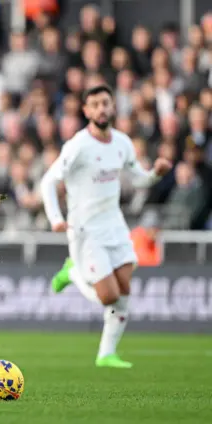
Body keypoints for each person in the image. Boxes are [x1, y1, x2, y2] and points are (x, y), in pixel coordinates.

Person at [40, 85, 171, 369]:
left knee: (124, 289)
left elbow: (137, 179)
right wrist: (55, 218)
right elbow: (48, 181)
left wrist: (154, 175)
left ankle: (106, 353)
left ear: (112, 108)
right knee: (108, 295)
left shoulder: (122, 142)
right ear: (86, 111)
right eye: (95, 104)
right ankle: (72, 272)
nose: (101, 109)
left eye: (105, 103)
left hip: (114, 225)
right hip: (86, 230)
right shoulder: (78, 145)